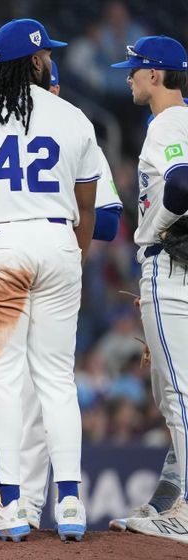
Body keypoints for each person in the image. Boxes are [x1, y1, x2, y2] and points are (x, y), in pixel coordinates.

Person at [0, 60, 123, 533]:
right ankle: (71, 502)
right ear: (35, 65)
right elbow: (92, 208)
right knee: (58, 380)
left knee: (3, 382)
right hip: (58, 243)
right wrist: (76, 256)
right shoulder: (74, 116)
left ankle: (10, 505)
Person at [108, 35, 188, 543]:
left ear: (155, 75)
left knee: (178, 395)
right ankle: (167, 500)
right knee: (173, 392)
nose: (130, 78)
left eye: (135, 70)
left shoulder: (168, 123)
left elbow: (180, 184)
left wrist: (157, 228)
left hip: (172, 271)